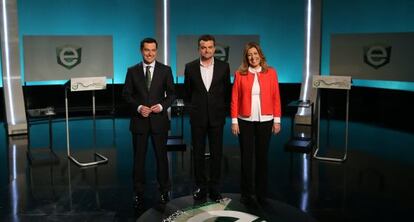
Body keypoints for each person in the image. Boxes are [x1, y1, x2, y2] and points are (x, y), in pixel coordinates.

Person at [123, 37, 176, 208]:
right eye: (147, 50)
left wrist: (162, 106)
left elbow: (172, 94)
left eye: (153, 50)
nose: (150, 53)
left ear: (157, 51)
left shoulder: (165, 70)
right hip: (139, 122)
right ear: (141, 50)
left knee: (162, 158)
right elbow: (126, 95)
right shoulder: (132, 71)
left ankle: (164, 191)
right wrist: (138, 107)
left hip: (159, 121)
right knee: (139, 159)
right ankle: (138, 193)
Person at [230, 42, 281, 205]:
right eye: (249, 55)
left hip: (266, 120)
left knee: (262, 158)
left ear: (260, 55)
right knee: (246, 158)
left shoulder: (271, 73)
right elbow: (235, 98)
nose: (253, 57)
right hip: (244, 120)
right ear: (246, 58)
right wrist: (234, 121)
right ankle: (246, 193)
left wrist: (277, 120)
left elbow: (276, 97)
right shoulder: (240, 74)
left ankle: (261, 193)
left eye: (255, 54)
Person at [184, 34, 231, 202]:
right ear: (199, 49)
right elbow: (187, 93)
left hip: (217, 117)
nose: (207, 50)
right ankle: (201, 187)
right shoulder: (189, 67)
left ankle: (215, 188)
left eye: (210, 47)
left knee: (216, 154)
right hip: (198, 117)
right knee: (197, 154)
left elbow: (226, 92)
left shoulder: (224, 67)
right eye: (203, 47)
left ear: (214, 48)